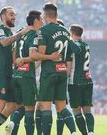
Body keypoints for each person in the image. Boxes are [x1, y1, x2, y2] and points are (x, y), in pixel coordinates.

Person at [0, 6, 31, 135]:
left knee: (12, 106)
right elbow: (4, 43)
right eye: (11, 14)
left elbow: (13, 53)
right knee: (1, 104)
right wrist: (20, 34)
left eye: (14, 15)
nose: (14, 17)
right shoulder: (0, 30)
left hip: (9, 73)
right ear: (3, 16)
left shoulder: (10, 33)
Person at [31, 3, 76, 135]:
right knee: (62, 107)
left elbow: (40, 54)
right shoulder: (66, 32)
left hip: (49, 72)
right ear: (56, 15)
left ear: (45, 15)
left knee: (45, 107)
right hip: (62, 71)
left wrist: (48, 56)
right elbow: (69, 56)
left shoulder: (44, 31)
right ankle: (73, 132)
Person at [67, 24, 95, 135]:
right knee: (87, 110)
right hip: (88, 80)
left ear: (72, 33)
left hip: (75, 82)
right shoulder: (86, 45)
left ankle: (84, 133)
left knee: (77, 111)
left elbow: (76, 51)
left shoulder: (73, 45)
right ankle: (91, 132)